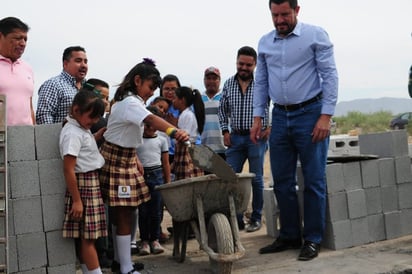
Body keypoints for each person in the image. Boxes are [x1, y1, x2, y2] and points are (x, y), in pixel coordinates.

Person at [252, 0, 338, 261]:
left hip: (311, 114)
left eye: (285, 14)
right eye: (275, 15)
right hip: (279, 116)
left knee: (313, 180)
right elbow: (262, 82)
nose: (280, 20)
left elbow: (330, 75)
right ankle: (289, 234)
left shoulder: (315, 35)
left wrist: (326, 116)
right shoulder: (265, 43)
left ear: (297, 11)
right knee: (282, 180)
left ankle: (312, 238)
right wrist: (258, 117)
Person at [99, 58, 189, 274]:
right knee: (124, 214)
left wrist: (136, 159)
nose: (151, 93)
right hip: (118, 161)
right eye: (150, 87)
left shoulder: (129, 101)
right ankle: (125, 267)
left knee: (124, 213)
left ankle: (121, 261)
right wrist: (174, 132)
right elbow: (151, 120)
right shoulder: (130, 103)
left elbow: (130, 135)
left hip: (126, 158)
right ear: (137, 81)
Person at [218, 46, 270, 233]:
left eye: (248, 65)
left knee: (256, 179)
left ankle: (256, 218)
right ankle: (237, 219)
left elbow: (273, 104)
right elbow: (222, 110)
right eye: (241, 63)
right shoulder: (228, 84)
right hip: (235, 138)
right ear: (236, 62)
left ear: (255, 65)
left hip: (256, 138)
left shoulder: (263, 83)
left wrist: (269, 126)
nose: (244, 68)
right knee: (233, 179)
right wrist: (225, 131)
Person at [59, 89, 107, 274]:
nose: (94, 121)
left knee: (87, 237)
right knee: (88, 238)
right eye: (92, 117)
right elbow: (68, 169)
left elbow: (83, 150)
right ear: (76, 110)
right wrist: (77, 200)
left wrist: (97, 136)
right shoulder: (73, 132)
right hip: (84, 186)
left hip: (88, 184)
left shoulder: (80, 128)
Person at [136, 106, 170, 256]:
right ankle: (144, 241)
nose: (149, 128)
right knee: (143, 212)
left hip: (157, 176)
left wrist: (167, 182)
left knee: (156, 211)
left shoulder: (162, 140)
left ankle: (155, 239)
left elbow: (166, 163)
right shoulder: (136, 140)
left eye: (152, 124)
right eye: (146, 124)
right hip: (141, 177)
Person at [36, 46, 88, 124]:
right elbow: (44, 116)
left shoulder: (89, 87)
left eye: (85, 62)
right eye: (78, 61)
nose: (83, 65)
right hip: (61, 135)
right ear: (65, 64)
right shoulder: (53, 85)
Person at [0, 17, 35, 125]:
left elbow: (30, 107)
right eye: (18, 38)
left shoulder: (27, 69)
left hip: (25, 136)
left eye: (25, 39)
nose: (23, 43)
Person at [171, 86, 205, 180]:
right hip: (184, 149)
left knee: (187, 178)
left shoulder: (187, 115)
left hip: (186, 151)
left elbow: (185, 136)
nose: (172, 101)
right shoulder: (184, 114)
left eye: (175, 98)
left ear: (182, 100)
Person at [201, 66, 226, 159]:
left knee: (224, 174)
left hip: (224, 148)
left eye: (214, 78)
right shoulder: (198, 99)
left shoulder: (226, 97)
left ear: (219, 80)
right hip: (204, 149)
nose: (211, 81)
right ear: (204, 80)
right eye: (208, 78)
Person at [159, 74, 181, 164]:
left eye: (173, 89)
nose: (170, 92)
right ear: (161, 90)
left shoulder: (184, 107)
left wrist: (175, 124)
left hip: (179, 153)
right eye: (167, 89)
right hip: (160, 153)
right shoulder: (154, 105)